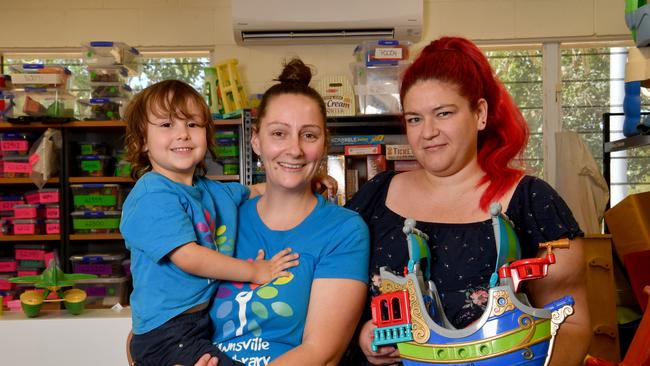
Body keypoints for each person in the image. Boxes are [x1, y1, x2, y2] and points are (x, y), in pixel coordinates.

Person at [345, 36, 590, 366]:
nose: (427, 131)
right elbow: (332, 298)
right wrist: (363, 336)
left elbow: (571, 323)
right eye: (415, 118)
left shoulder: (532, 202)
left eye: (443, 113)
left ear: (480, 114)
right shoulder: (375, 196)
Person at [197, 58, 370, 366]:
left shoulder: (343, 230)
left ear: (324, 144)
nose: (295, 149)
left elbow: (322, 353)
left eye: (309, 135)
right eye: (279, 133)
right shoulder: (224, 218)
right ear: (256, 141)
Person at [119, 79, 300, 366]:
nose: (183, 135)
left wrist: (308, 180)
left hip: (196, 324)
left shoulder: (211, 191)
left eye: (192, 124)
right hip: (165, 334)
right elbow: (189, 257)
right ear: (142, 141)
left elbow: (258, 189)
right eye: (167, 125)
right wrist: (254, 271)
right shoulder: (152, 194)